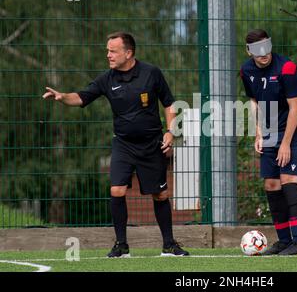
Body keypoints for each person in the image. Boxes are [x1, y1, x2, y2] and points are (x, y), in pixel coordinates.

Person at [42, 32, 189, 257]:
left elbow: (169, 103)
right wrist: (62, 97)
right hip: (123, 144)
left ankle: (169, 244)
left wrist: (170, 131)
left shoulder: (151, 73)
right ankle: (121, 245)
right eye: (107, 51)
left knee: (160, 195)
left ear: (128, 53)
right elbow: (82, 97)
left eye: (113, 51)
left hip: (152, 144)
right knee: (117, 190)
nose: (108, 55)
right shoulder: (106, 79)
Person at [240, 29, 297, 256]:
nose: (264, 54)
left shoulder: (287, 68)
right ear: (249, 51)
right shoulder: (246, 70)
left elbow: (295, 108)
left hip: (293, 132)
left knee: (288, 180)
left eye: (267, 47)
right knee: (271, 184)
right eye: (258, 50)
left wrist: (286, 143)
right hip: (269, 131)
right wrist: (258, 132)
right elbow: (254, 100)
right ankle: (283, 241)